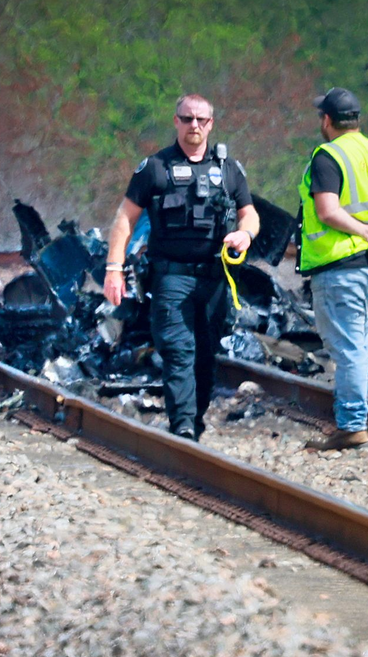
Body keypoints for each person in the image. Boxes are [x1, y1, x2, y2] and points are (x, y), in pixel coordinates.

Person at [102, 93, 260, 441]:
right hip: (171, 277)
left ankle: (195, 417)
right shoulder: (155, 168)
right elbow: (125, 219)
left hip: (215, 278)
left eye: (201, 120)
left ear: (211, 124)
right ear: (176, 121)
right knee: (177, 351)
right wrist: (114, 268)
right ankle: (183, 425)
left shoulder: (228, 169)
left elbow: (249, 212)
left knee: (205, 355)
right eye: (187, 119)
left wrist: (245, 234)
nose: (194, 126)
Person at [297, 87, 368, 451]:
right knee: (358, 344)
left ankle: (352, 425)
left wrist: (361, 229)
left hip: (341, 265)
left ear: (327, 120)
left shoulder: (327, 155)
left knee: (349, 349)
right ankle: (353, 421)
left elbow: (327, 211)